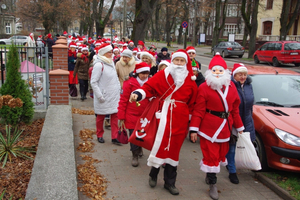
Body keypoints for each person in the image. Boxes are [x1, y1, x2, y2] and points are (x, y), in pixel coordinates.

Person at [129, 49, 197, 195]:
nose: (179, 64)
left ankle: (170, 183)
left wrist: (190, 123)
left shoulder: (190, 81)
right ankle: (153, 175)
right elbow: (148, 88)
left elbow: (193, 103)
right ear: (172, 61)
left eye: (182, 61)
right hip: (163, 115)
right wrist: (138, 93)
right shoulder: (162, 75)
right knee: (160, 145)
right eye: (176, 60)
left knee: (174, 150)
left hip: (180, 119)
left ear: (186, 63)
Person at [189, 53, 244, 200]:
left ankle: (210, 174)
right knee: (211, 155)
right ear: (210, 72)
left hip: (225, 127)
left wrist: (240, 127)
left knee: (221, 155)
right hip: (209, 128)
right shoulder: (204, 87)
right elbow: (198, 109)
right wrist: (194, 129)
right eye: (215, 71)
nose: (218, 74)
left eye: (220, 71)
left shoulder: (232, 87)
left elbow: (235, 110)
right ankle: (213, 184)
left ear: (225, 72)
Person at [225, 63, 255, 184]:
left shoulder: (249, 86)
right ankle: (232, 171)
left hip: (247, 120)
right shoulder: (230, 86)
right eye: (240, 74)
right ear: (234, 75)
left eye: (244, 74)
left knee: (244, 145)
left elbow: (251, 103)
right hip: (233, 121)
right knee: (232, 147)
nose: (243, 77)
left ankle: (239, 163)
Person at [118, 62, 150, 167]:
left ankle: (139, 147)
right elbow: (123, 100)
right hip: (131, 114)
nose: (145, 76)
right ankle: (134, 155)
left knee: (142, 134)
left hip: (146, 115)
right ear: (137, 73)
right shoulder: (129, 83)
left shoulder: (151, 83)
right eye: (142, 73)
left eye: (147, 73)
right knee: (133, 135)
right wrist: (121, 116)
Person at [90, 43, 121, 145]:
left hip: (114, 95)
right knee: (101, 117)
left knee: (115, 116)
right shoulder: (99, 65)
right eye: (109, 52)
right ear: (103, 53)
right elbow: (93, 82)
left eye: (112, 52)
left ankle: (115, 137)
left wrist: (119, 90)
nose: (111, 54)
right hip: (103, 96)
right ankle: (99, 135)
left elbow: (115, 78)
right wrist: (99, 95)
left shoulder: (111, 62)